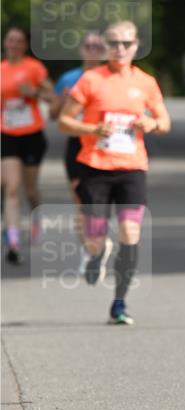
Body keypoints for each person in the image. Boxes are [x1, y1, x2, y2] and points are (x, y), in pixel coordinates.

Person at [58, 20, 171, 324]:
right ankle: (96, 253)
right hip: (95, 167)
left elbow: (164, 122)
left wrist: (152, 123)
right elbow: (64, 122)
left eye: (126, 43)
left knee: (130, 233)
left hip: (132, 168)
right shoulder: (91, 80)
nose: (120, 49)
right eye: (113, 43)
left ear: (136, 46)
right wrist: (93, 129)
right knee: (94, 238)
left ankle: (119, 303)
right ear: (105, 47)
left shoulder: (145, 82)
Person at [50, 32, 107, 272]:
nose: (92, 51)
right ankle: (89, 250)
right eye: (88, 46)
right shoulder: (68, 78)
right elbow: (52, 115)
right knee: (80, 199)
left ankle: (98, 244)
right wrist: (62, 101)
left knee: (100, 199)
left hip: (103, 145)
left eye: (97, 46)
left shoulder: (109, 78)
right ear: (81, 50)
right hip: (76, 144)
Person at [1, 26, 54, 265]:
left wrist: (33, 92)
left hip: (32, 135)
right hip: (7, 134)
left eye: (18, 41)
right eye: (10, 40)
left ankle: (36, 217)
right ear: (5, 43)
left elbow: (52, 98)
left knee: (30, 190)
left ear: (25, 45)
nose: (13, 44)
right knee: (12, 188)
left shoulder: (34, 68)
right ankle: (12, 241)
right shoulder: (1, 69)